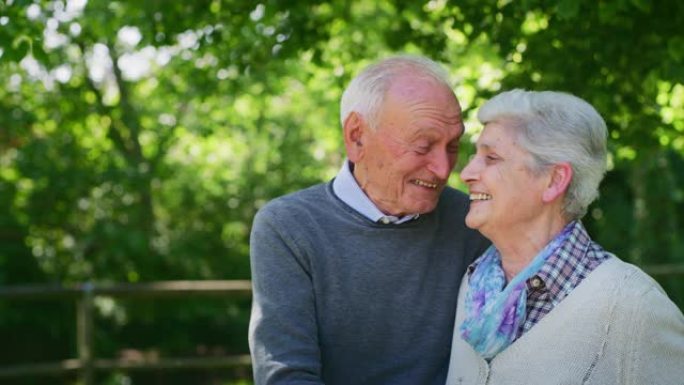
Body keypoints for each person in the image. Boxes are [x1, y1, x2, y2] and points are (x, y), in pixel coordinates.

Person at [248, 55, 490, 385]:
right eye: (423, 146)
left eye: (452, 146)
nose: (444, 169)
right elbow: (286, 375)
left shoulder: (473, 221)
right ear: (357, 136)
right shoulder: (288, 227)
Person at [446, 89, 684, 385]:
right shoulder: (474, 286)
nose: (467, 172)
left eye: (491, 158)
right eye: (474, 155)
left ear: (554, 180)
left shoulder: (633, 307)